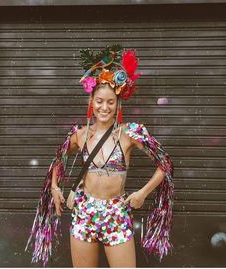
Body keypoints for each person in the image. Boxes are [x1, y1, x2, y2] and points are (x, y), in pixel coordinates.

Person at [25, 45, 174, 267]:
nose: (104, 107)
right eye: (99, 101)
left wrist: (143, 193)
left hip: (116, 213)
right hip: (84, 213)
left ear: (117, 105)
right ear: (91, 103)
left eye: (110, 102)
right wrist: (55, 188)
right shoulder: (80, 135)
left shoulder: (130, 133)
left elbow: (165, 163)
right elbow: (58, 160)